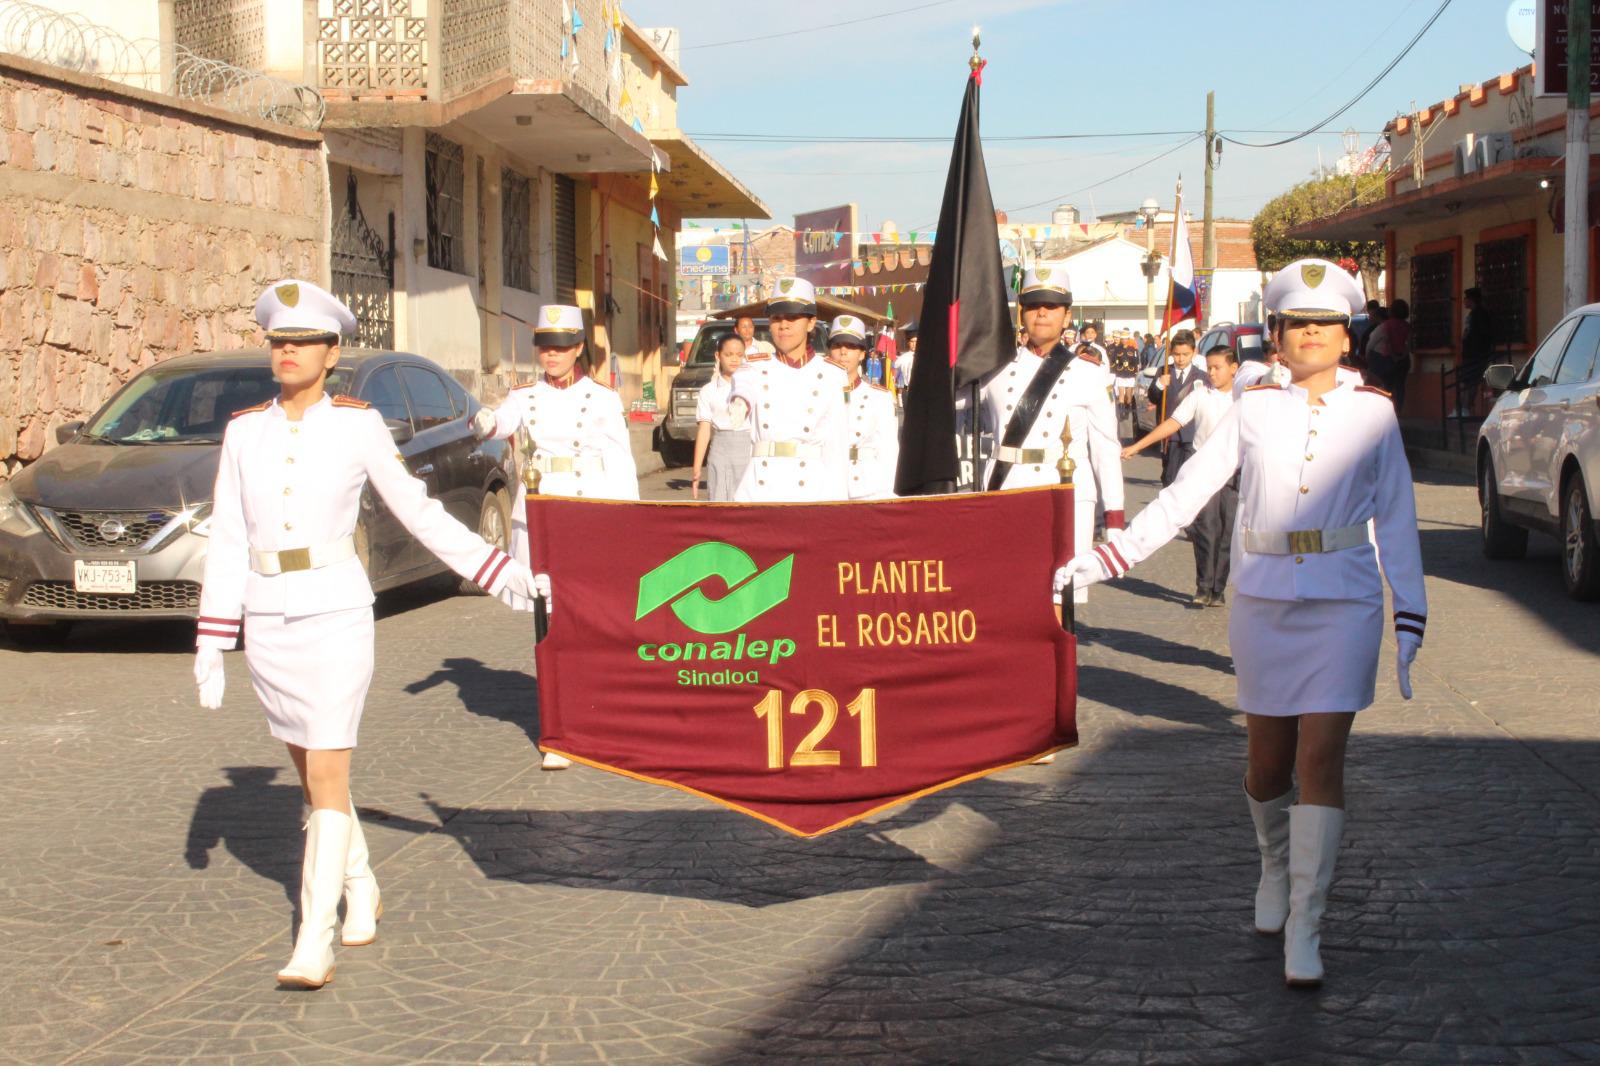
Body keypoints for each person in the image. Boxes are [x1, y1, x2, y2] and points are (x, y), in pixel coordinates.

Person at [1059, 257, 1426, 989]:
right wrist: (1107, 556)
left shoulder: (1377, 414)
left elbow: (1401, 517)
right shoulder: (1249, 408)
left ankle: (1307, 924)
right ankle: (1272, 865)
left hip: (1345, 603)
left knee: (1321, 759)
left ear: (1346, 336)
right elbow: (1187, 495)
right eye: (1298, 325)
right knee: (1266, 764)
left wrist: (1409, 613)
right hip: (1262, 601)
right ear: (1279, 335)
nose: (1313, 336)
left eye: (1326, 325)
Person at [193, 280, 541, 990]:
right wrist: (212, 635)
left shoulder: (356, 424)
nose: (286, 352)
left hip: (334, 611)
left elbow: (418, 512)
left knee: (327, 769)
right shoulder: (243, 432)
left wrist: (498, 569)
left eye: (301, 342)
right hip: (268, 615)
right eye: (278, 342)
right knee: (310, 769)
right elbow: (227, 537)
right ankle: (362, 884)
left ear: (331, 351)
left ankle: (311, 940)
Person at [472, 303, 640, 768]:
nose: (552, 355)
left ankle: (598, 710)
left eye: (562, 347)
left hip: (587, 510)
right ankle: (558, 728)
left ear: (579, 349)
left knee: (586, 616)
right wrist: (485, 421)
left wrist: (625, 519)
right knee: (547, 617)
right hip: (541, 510)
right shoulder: (525, 395)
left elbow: (621, 461)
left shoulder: (603, 398)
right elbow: (503, 420)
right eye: (545, 346)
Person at [981, 265, 1124, 606]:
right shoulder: (994, 370)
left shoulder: (1087, 374)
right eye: (1032, 305)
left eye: (1051, 306)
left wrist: (1115, 518)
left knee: (1058, 601)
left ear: (1066, 315)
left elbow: (1105, 447)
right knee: (1008, 599)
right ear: (1021, 313)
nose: (1041, 312)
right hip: (1007, 490)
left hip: (1065, 496)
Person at [1122, 345, 1239, 605]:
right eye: (1209, 367)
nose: (1211, 373)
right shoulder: (1200, 395)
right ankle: (1203, 586)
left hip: (1232, 473)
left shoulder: (1243, 398)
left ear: (1233, 369)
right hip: (1203, 470)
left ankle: (1218, 590)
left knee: (1228, 531)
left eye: (1217, 368)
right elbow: (1173, 422)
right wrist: (1137, 446)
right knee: (1204, 528)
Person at [728, 277, 849, 501]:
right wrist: (740, 401)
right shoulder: (755, 366)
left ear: (811, 323)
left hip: (811, 492)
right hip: (760, 490)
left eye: (792, 318)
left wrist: (838, 507)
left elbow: (837, 449)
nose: (783, 325)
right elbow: (742, 386)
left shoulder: (832, 375)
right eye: (776, 318)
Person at [825, 315, 900, 499]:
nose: (843, 352)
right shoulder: (816, 394)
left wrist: (886, 495)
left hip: (868, 488)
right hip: (827, 484)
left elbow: (889, 452)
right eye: (837, 346)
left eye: (851, 346)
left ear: (862, 354)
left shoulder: (879, 397)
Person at [690, 333, 748, 502]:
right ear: (718, 356)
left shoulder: (754, 387)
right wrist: (696, 468)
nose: (734, 359)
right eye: (728, 354)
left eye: (739, 355)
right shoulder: (708, 390)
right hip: (720, 451)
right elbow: (704, 429)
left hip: (748, 450)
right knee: (719, 501)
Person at [1146, 329, 1207, 486]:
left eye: (1185, 354)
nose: (1180, 359)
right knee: (1170, 478)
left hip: (1192, 435)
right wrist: (1160, 384)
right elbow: (1153, 397)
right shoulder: (1164, 371)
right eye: (1176, 354)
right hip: (1170, 436)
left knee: (1190, 480)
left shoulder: (1201, 376)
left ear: (1194, 352)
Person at [1455, 287, 1496, 417]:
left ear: (1471, 300)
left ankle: (1465, 408)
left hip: (1476, 354)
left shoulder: (1480, 315)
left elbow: (1482, 336)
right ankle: (1462, 409)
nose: (1463, 301)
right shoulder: (1475, 314)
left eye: (1465, 298)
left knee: (1471, 381)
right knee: (1465, 381)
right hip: (1470, 354)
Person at [1365, 298, 1411, 410]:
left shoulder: (1384, 326)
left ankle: (1384, 411)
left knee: (1384, 387)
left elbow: (1371, 344)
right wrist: (1401, 356)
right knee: (1400, 387)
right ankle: (1397, 411)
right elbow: (1409, 344)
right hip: (1403, 361)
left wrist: (1368, 358)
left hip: (1384, 360)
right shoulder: (1407, 326)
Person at [1110, 339, 1141, 431]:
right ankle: (1122, 412)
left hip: (1130, 374)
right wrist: (1116, 368)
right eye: (1122, 339)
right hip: (1120, 373)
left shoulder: (1133, 350)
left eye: (1126, 339)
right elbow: (1113, 360)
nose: (1124, 340)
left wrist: (1135, 372)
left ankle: (1128, 407)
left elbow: (1136, 362)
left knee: (1128, 395)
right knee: (1121, 394)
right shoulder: (1117, 349)